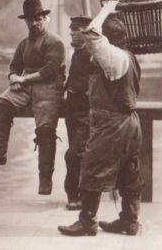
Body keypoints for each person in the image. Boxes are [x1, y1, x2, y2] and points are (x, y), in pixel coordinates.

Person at [59, 0, 144, 237]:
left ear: (108, 39)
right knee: (129, 171)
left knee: (92, 168)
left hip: (110, 124)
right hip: (130, 123)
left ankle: (87, 222)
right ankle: (130, 220)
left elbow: (91, 33)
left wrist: (107, 8)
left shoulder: (112, 56)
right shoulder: (128, 56)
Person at [0, 0, 66, 195]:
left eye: (38, 19)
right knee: (1, 103)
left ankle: (45, 179)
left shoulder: (55, 42)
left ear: (45, 19)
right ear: (25, 21)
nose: (34, 23)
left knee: (45, 130)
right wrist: (14, 78)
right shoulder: (23, 44)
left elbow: (49, 71)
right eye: (30, 20)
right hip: (26, 86)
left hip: (49, 87)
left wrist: (23, 80)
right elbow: (14, 67)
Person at [63, 16, 93, 210]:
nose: (72, 33)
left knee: (75, 154)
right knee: (77, 152)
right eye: (72, 30)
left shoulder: (92, 54)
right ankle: (78, 195)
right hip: (71, 108)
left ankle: (76, 195)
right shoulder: (77, 53)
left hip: (86, 109)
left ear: (86, 33)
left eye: (77, 30)